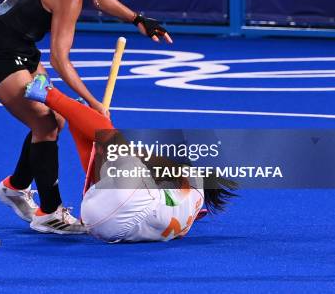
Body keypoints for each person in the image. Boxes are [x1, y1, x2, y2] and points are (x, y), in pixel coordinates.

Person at [0, 0, 172, 234]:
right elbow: (61, 60)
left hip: (19, 47)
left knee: (55, 120)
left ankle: (15, 186)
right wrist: (93, 102)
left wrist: (139, 20)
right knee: (46, 122)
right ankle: (48, 213)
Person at [24, 73, 237, 243]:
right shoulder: (191, 209)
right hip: (99, 225)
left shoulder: (188, 177)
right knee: (110, 165)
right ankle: (77, 116)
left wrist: (105, 131)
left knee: (114, 144)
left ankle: (49, 94)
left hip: (130, 204)